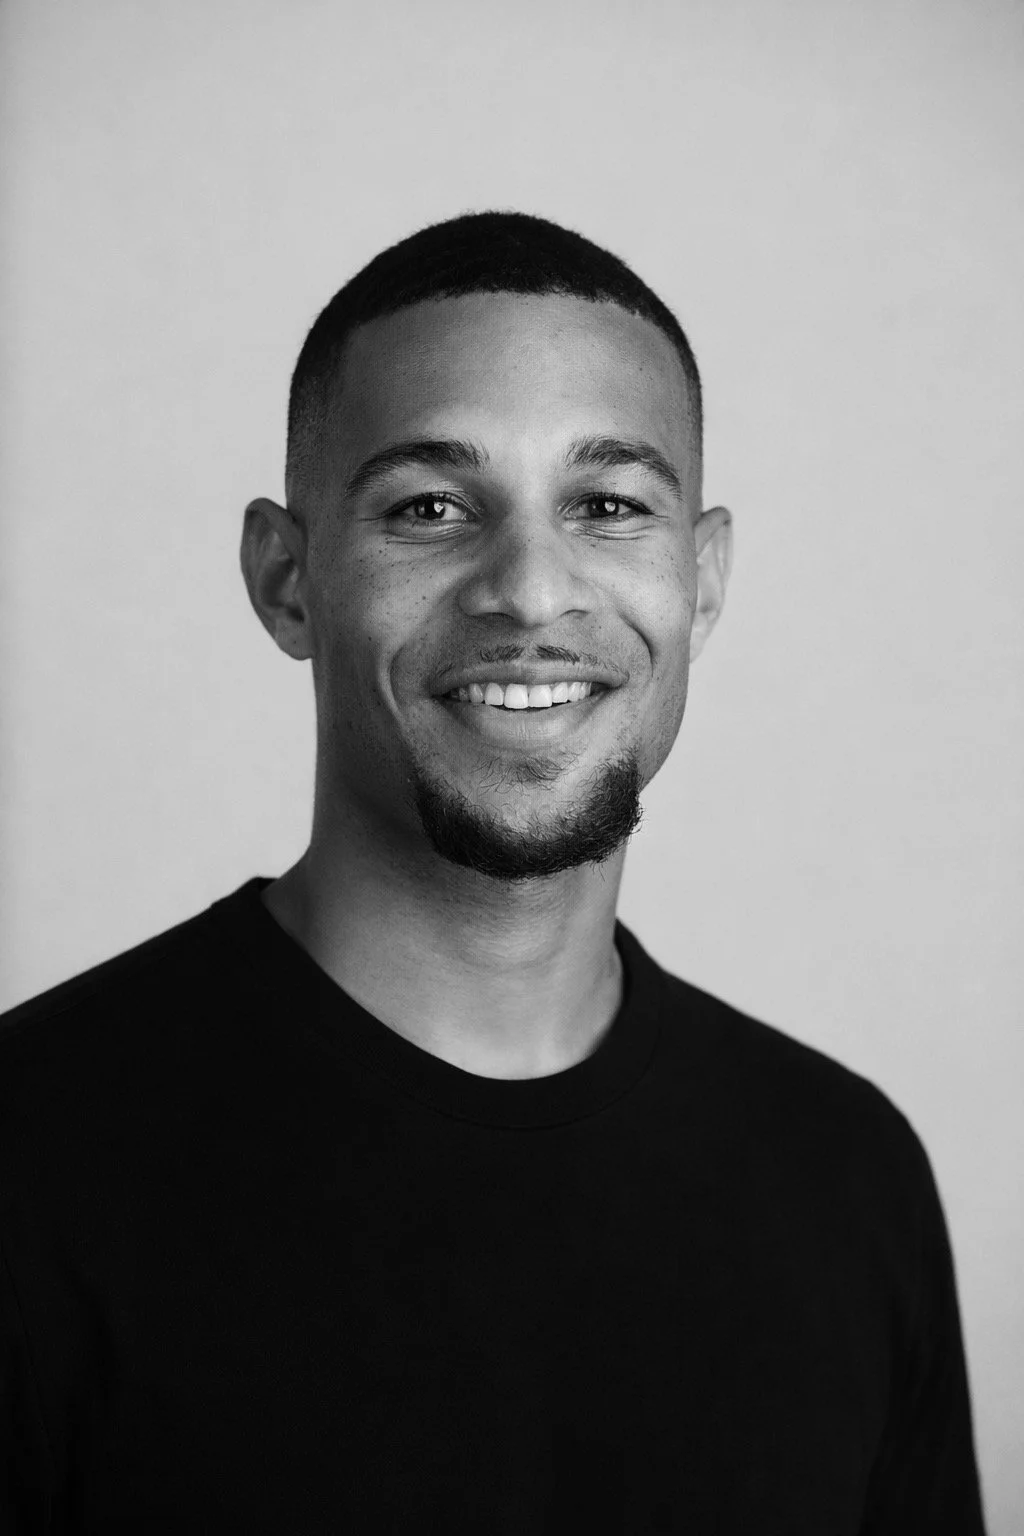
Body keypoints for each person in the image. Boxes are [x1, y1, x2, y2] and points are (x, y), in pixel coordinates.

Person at [0, 211, 986, 1533]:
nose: (530, 590)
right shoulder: (29, 1159)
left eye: (608, 506)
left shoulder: (848, 1179)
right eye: (431, 508)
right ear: (287, 581)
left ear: (700, 583)